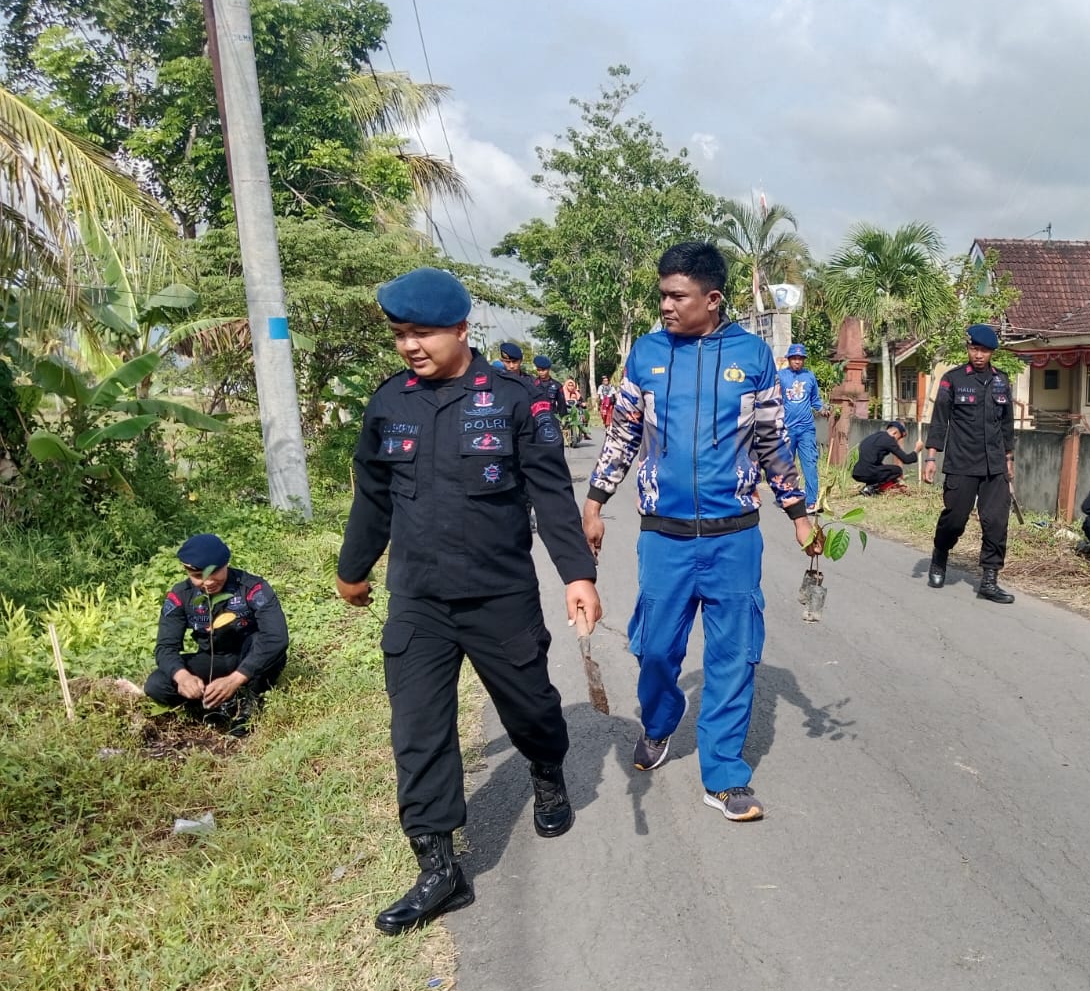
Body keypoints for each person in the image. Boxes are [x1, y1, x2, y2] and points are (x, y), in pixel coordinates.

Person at [336, 266, 601, 935]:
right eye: (400, 334)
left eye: (422, 333)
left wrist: (577, 574)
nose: (409, 346)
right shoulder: (389, 403)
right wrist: (353, 568)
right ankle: (439, 868)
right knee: (418, 731)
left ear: (460, 329)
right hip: (418, 599)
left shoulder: (515, 399)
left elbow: (550, 493)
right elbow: (373, 495)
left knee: (531, 706)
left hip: (498, 595)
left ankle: (547, 769)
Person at [584, 242, 818, 822]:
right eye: (662, 295)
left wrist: (799, 513)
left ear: (712, 299)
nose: (665, 305)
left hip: (733, 536)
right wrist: (595, 502)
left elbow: (771, 441)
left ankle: (725, 773)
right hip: (663, 536)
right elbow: (623, 434)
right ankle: (660, 723)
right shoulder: (646, 354)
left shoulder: (753, 356)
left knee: (734, 656)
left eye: (677, 296)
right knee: (656, 648)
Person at [136, 533, 289, 733]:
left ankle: (251, 701)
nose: (208, 582)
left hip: (250, 657)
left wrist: (235, 679)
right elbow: (165, 647)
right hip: (213, 659)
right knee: (156, 685)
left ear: (226, 564)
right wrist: (182, 677)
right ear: (187, 571)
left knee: (268, 648)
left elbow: (276, 638)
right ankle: (216, 705)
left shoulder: (252, 587)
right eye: (198, 576)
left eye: (214, 572)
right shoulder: (181, 596)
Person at [922, 323, 1016, 604]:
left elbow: (1007, 424)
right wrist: (931, 457)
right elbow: (939, 420)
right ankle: (940, 554)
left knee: (996, 521)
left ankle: (989, 579)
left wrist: (1009, 459)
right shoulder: (952, 380)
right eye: (974, 349)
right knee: (955, 519)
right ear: (968, 349)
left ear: (992, 353)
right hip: (961, 462)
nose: (979, 355)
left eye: (984, 351)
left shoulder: (1002, 381)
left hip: (994, 465)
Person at [776, 342, 824, 511]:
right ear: (789, 359)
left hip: (806, 429)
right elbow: (773, 398)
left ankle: (811, 501)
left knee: (810, 463)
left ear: (804, 360)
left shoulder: (809, 376)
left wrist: (822, 408)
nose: (797, 361)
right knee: (786, 465)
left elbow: (815, 399)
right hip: (787, 428)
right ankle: (787, 497)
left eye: (800, 358)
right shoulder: (780, 376)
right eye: (794, 358)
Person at [852, 419, 921, 495]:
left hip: (857, 472)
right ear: (895, 433)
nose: (896, 441)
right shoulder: (889, 439)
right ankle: (871, 487)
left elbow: (872, 461)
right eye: (898, 438)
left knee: (882, 468)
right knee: (897, 470)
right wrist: (917, 449)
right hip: (869, 472)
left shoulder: (873, 437)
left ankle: (869, 488)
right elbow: (907, 459)